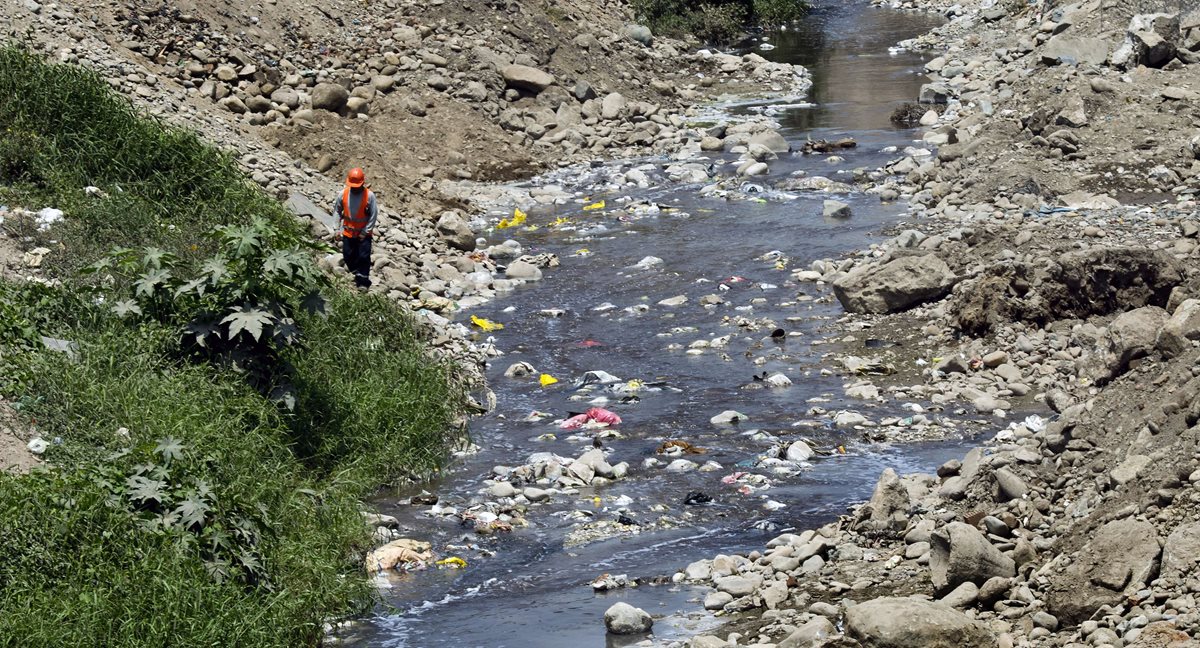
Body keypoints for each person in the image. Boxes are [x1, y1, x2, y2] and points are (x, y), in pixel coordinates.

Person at [333, 167, 377, 289]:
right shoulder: (343, 194)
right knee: (348, 255)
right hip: (348, 232)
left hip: (363, 235)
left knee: (363, 256)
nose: (355, 188)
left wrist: (365, 231)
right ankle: (356, 274)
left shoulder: (369, 196)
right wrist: (336, 229)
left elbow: (373, 215)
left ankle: (363, 282)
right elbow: (337, 211)